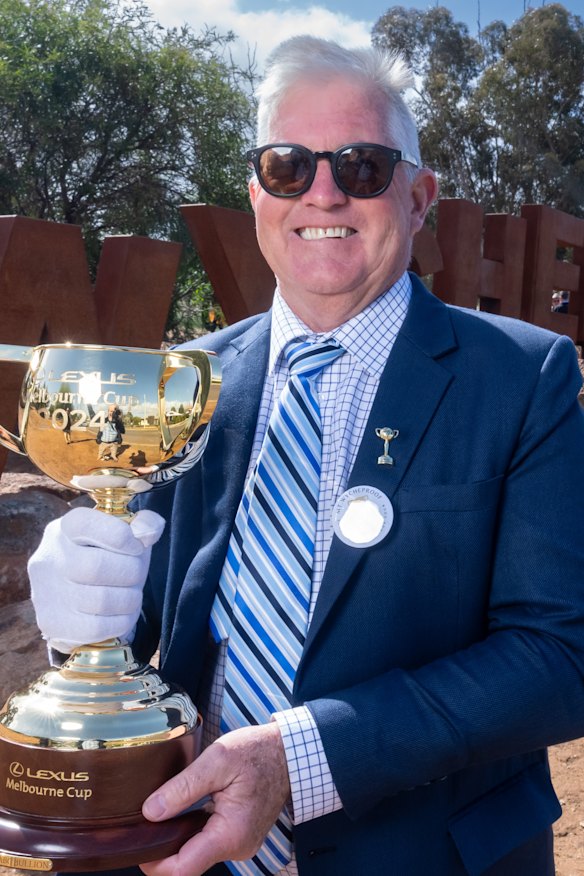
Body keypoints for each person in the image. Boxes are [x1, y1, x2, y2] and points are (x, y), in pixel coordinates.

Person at [28, 36, 584, 876]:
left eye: (363, 166)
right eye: (288, 166)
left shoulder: (523, 377)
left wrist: (301, 758)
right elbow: (137, 626)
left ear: (418, 197)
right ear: (257, 194)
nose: (323, 192)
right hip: (193, 854)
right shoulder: (185, 383)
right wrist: (82, 625)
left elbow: (560, 656)